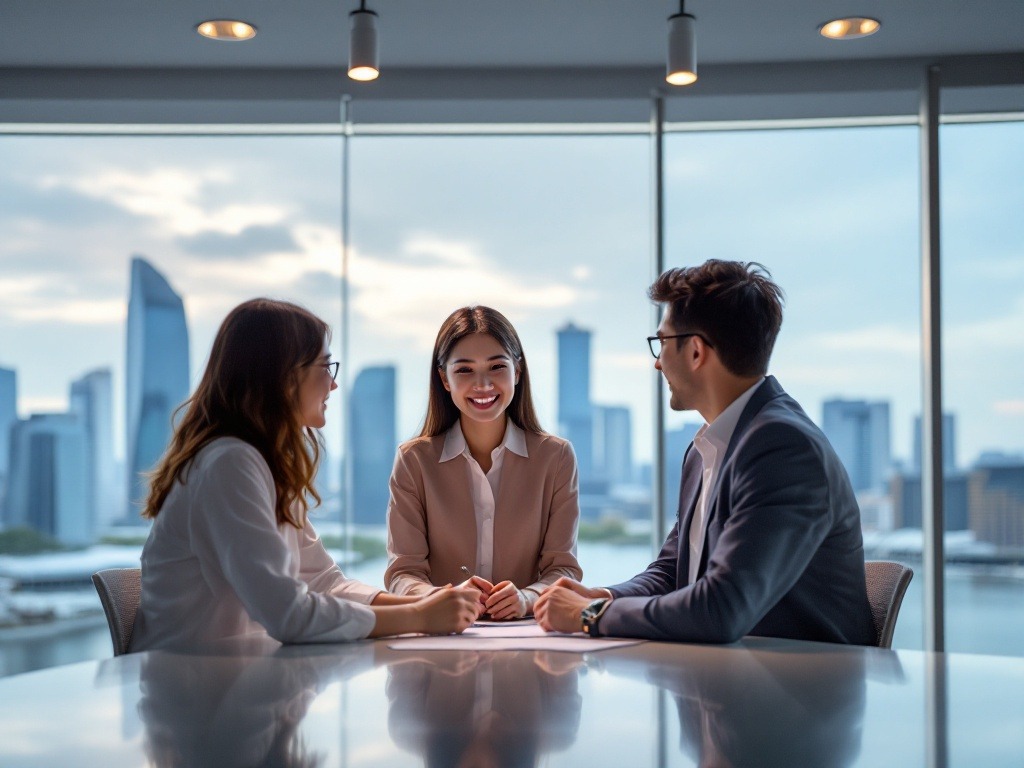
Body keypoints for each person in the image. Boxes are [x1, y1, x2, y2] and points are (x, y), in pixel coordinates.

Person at [536, 260, 876, 645]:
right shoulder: (707, 447)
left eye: (661, 343)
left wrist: (591, 616)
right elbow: (672, 570)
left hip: (798, 692)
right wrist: (607, 597)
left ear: (696, 352)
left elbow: (722, 608)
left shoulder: (782, 448)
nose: (656, 362)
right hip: (730, 678)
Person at [132, 299, 480, 652]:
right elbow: (288, 613)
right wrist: (419, 618)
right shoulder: (230, 464)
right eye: (325, 366)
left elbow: (323, 582)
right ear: (283, 375)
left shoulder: (261, 462)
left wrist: (432, 604)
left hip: (238, 682)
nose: (333, 385)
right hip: (191, 690)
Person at [385, 305, 582, 620]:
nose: (483, 385)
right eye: (464, 370)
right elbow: (403, 573)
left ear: (517, 371)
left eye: (496, 367)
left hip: (528, 642)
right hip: (442, 639)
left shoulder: (556, 458)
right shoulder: (414, 461)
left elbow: (565, 569)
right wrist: (441, 598)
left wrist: (527, 597)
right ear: (444, 379)